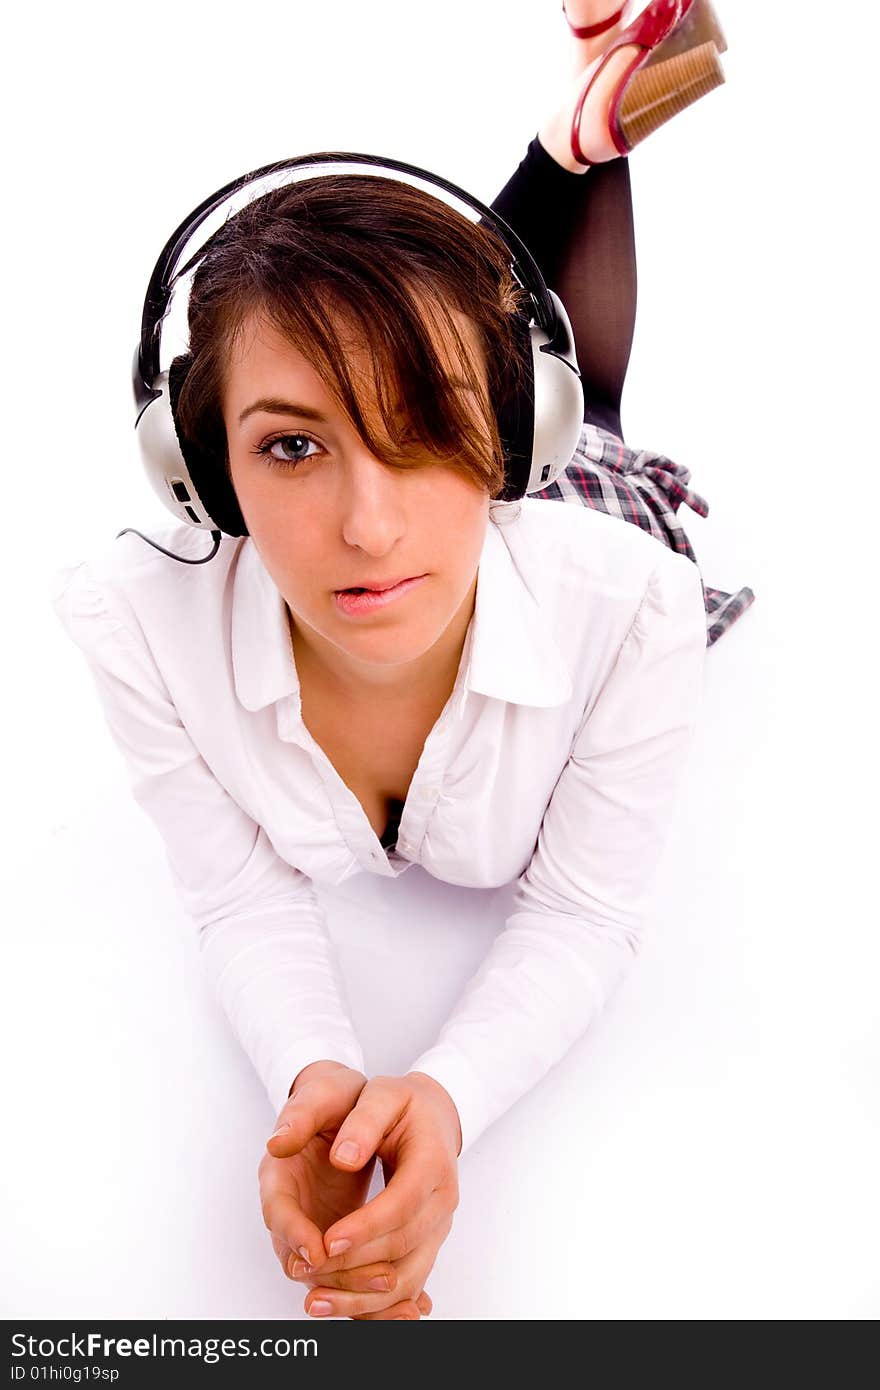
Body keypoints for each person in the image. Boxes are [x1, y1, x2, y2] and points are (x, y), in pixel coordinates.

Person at [50, 0, 753, 1321]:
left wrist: (449, 1089)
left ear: (498, 442)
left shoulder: (632, 609)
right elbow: (237, 901)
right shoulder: (131, 623)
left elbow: (587, 915)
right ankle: (578, 125)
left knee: (586, 400)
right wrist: (320, 1071)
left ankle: (572, 156)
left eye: (432, 426)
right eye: (292, 447)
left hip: (579, 510)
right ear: (200, 475)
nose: (369, 528)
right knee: (444, 326)